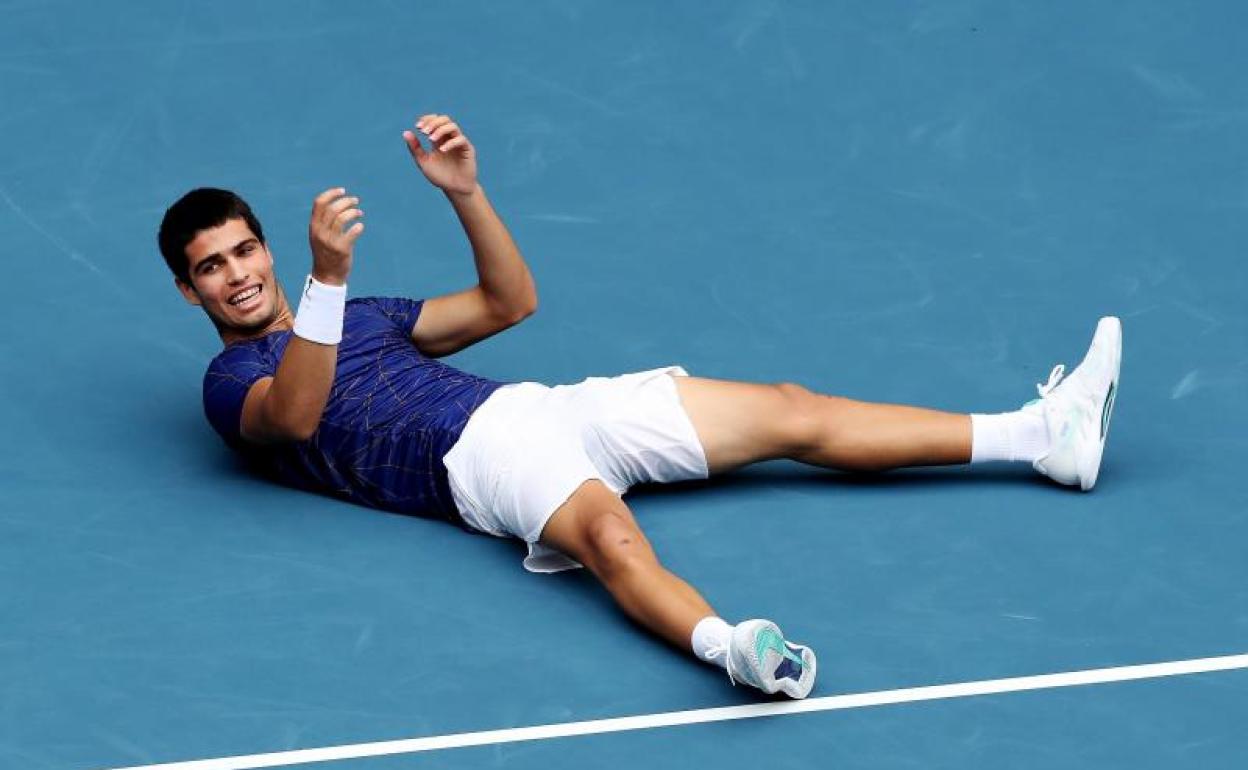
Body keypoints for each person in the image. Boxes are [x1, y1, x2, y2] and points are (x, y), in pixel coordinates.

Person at [158, 113, 1121, 700]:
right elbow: (296, 415)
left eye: (244, 251)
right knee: (613, 541)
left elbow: (507, 304)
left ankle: (1044, 436)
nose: (236, 274)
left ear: (264, 249)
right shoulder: (231, 384)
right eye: (211, 268)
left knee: (794, 411)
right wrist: (326, 282)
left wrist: (467, 195)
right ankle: (736, 651)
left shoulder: (364, 314)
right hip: (474, 463)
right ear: (187, 290)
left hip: (547, 408)